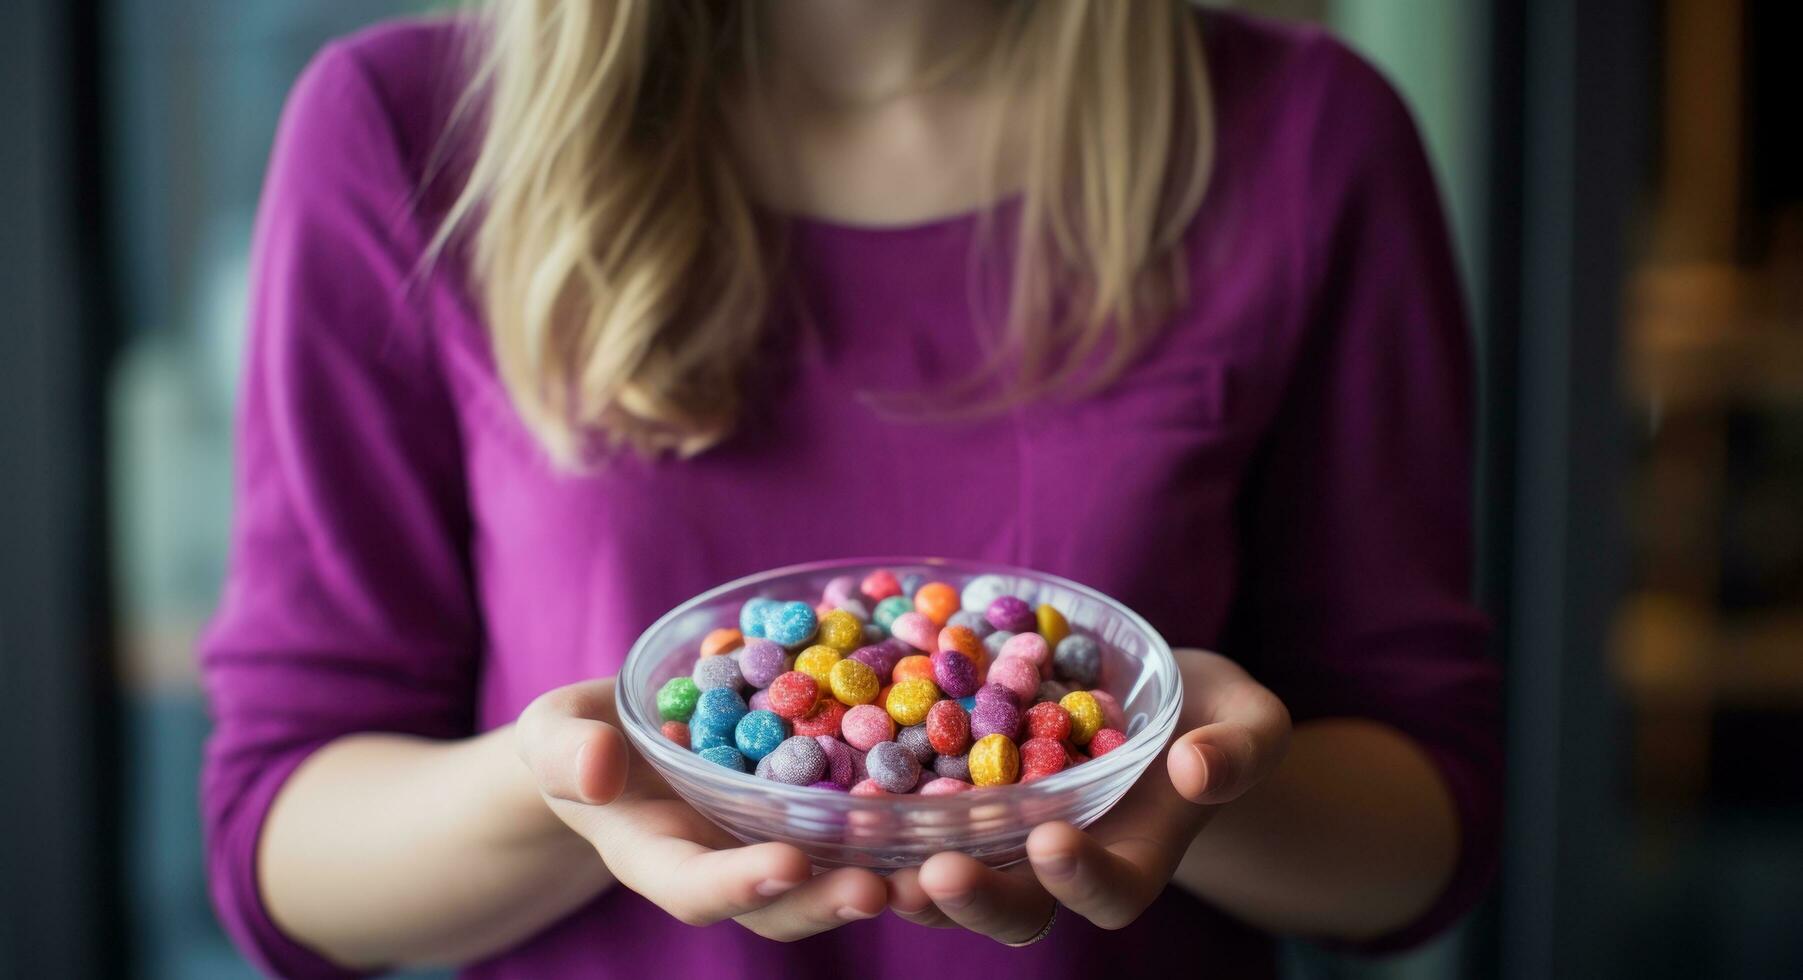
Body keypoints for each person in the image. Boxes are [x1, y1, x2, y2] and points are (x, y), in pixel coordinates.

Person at [200, 2, 1500, 977]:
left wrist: (1190, 786)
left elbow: (1425, 837)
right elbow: (283, 850)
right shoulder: (404, 124)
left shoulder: (1310, 132)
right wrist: (580, 788)